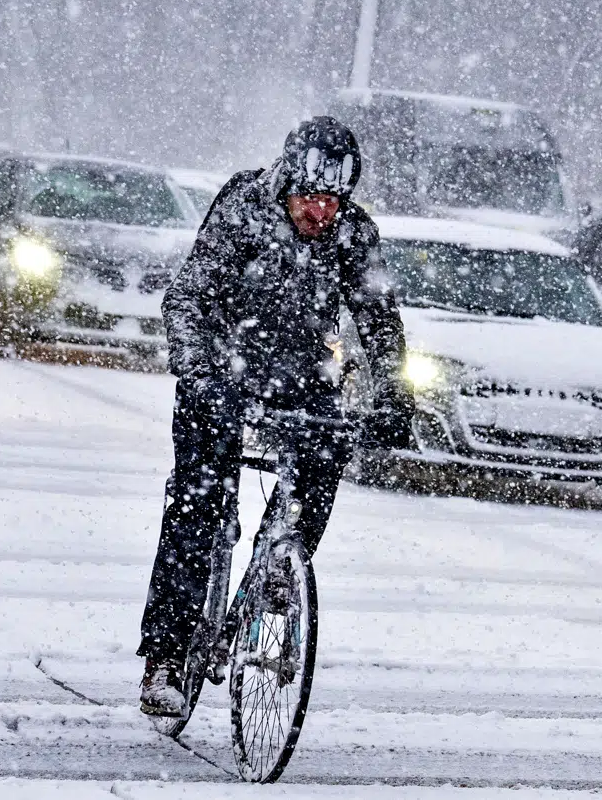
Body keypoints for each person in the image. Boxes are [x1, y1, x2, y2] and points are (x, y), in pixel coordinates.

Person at [139, 117, 414, 716]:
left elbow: (381, 324)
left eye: (332, 202)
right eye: (310, 199)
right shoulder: (244, 207)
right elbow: (189, 296)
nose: (321, 213)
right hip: (222, 368)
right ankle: (164, 653)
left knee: (324, 456)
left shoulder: (353, 235)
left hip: (301, 378)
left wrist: (394, 395)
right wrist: (198, 367)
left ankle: (279, 563)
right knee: (197, 504)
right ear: (286, 183)